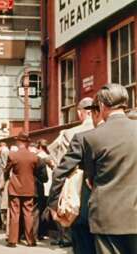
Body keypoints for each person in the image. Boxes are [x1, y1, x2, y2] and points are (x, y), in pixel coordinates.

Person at [49, 83, 137, 254]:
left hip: (106, 217)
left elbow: (65, 173)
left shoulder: (90, 138)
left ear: (102, 106)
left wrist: (53, 204)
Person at [47, 97, 95, 248]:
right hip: (107, 197)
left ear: (81, 113)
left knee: (82, 240)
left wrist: (53, 203)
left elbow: (62, 168)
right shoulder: (108, 130)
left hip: (79, 193)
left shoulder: (70, 134)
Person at [5, 132, 47, 248]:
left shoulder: (12, 155)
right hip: (29, 188)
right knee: (28, 214)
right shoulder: (34, 157)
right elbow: (37, 173)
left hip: (14, 188)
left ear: (19, 142)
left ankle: (13, 240)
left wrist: (5, 179)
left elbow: (6, 170)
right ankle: (30, 240)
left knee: (15, 213)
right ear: (27, 143)